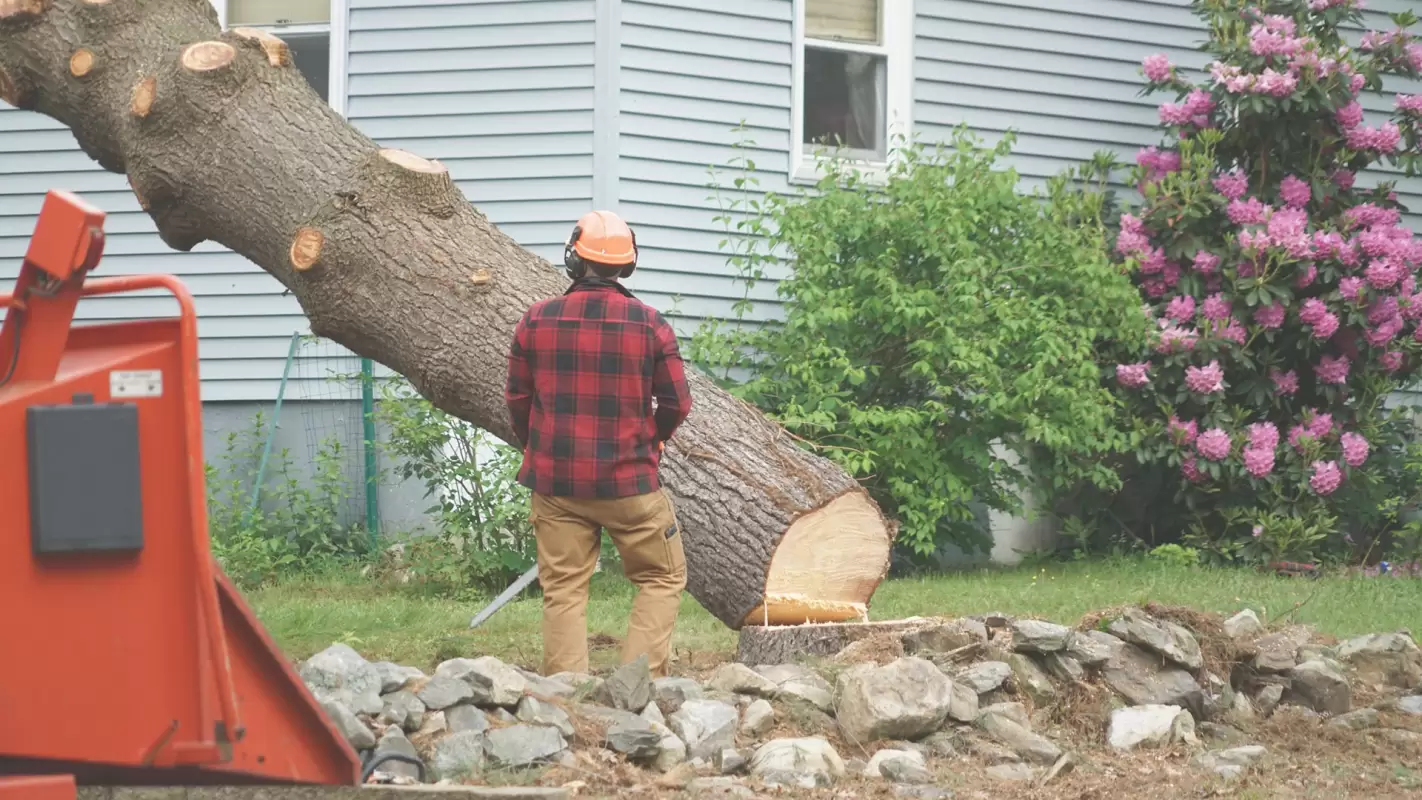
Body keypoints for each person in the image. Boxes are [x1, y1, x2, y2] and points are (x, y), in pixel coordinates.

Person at [504, 210, 693, 678]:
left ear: (574, 257)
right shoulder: (651, 325)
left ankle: (565, 699)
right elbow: (677, 403)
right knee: (662, 576)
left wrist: (541, 448)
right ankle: (638, 687)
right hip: (630, 484)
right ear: (627, 265)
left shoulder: (536, 320)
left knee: (564, 588)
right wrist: (654, 438)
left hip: (556, 484)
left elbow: (517, 399)